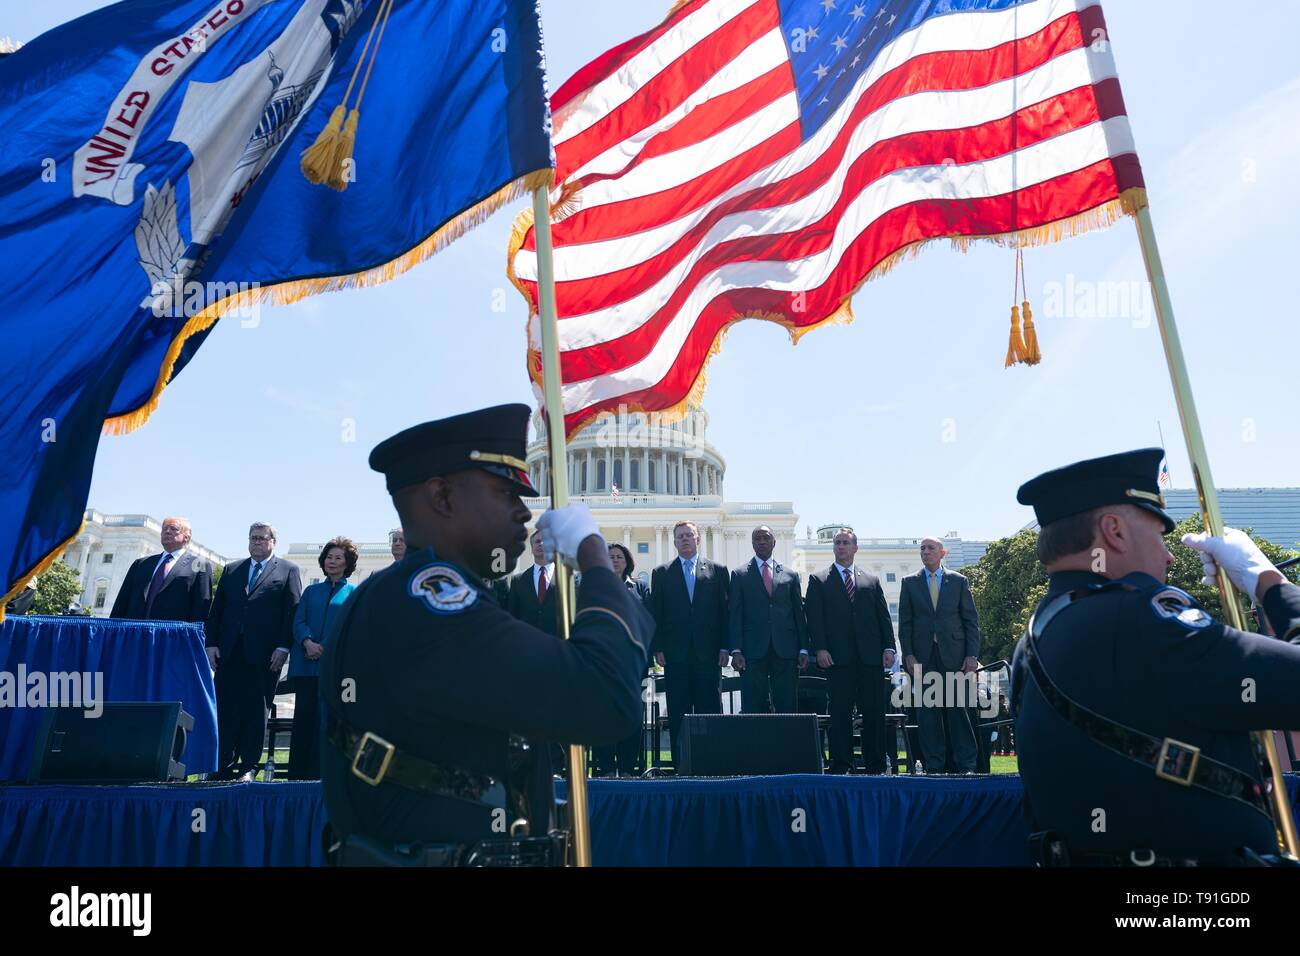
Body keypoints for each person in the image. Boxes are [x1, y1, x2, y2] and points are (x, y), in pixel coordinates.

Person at [318, 404, 651, 866]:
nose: (524, 515)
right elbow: (604, 697)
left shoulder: (405, 592)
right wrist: (595, 557)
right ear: (443, 497)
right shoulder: (429, 601)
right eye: (505, 493)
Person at [1011, 448, 1300, 865]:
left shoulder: (1037, 635)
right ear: (1114, 530)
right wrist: (1268, 581)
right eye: (1159, 533)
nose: (1167, 555)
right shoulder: (1142, 618)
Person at [205, 522, 303, 781]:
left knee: (255, 711)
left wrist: (283, 646)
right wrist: (211, 644)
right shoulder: (232, 569)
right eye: (252, 538)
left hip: (265, 656)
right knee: (226, 709)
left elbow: (291, 612)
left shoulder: (288, 570)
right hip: (229, 653)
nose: (256, 542)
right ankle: (221, 765)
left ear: (273, 541)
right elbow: (217, 611)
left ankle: (248, 766)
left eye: (261, 538)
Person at [805, 528, 895, 774]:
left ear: (855, 548)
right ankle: (841, 765)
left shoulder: (871, 580)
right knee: (840, 713)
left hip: (870, 658)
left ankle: (876, 765)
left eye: (846, 543)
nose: (841, 546)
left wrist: (889, 647)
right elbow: (814, 619)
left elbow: (883, 617)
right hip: (837, 658)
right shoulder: (819, 579)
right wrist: (820, 648)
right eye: (837, 543)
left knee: (874, 713)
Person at [649, 521, 729, 769]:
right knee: (678, 713)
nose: (684, 539)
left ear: (698, 539)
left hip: (708, 654)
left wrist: (725, 647)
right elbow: (656, 614)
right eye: (680, 536)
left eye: (689, 535)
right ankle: (679, 765)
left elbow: (724, 613)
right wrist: (658, 647)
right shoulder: (661, 573)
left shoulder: (717, 571)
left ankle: (712, 764)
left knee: (709, 711)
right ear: (674, 542)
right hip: (676, 654)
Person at [898, 537, 981, 773]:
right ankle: (934, 765)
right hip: (923, 659)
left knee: (959, 713)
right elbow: (905, 624)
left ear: (942, 553)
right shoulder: (909, 582)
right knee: (928, 716)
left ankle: (967, 765)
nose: (925, 552)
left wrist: (971, 654)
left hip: (955, 657)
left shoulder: (958, 581)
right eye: (922, 548)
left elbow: (970, 621)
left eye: (930, 548)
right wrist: (909, 655)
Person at [287, 537, 357, 779]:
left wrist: (324, 647)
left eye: (339, 557)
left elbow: (349, 627)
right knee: (303, 719)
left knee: (325, 721)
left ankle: (320, 775)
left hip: (332, 668)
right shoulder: (311, 590)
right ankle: (295, 775)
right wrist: (307, 642)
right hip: (306, 665)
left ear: (347, 563)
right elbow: (298, 621)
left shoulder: (353, 593)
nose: (332, 561)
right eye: (329, 557)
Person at [728, 525, 807, 714]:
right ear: (752, 543)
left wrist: (803, 647)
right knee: (754, 706)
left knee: (787, 705)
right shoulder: (740, 575)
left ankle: (786, 744)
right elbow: (735, 614)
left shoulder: (790, 575)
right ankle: (756, 744)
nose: (762, 541)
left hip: (786, 650)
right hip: (752, 651)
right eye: (757, 538)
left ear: (774, 542)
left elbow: (798, 614)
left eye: (766, 537)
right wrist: (736, 649)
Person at [593, 542, 651, 777]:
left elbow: (648, 622)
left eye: (619, 556)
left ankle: (627, 768)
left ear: (627, 561)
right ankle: (606, 768)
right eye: (610, 556)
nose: (615, 560)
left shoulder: (640, 587)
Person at [109, 516, 213, 622]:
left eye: (173, 529)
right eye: (164, 528)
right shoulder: (140, 564)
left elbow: (201, 610)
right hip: (135, 633)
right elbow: (121, 603)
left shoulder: (200, 565)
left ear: (186, 537)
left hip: (172, 635)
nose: (167, 531)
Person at [506, 530, 557, 635]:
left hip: (558, 644)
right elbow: (513, 615)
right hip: (527, 642)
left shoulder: (568, 580)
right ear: (532, 549)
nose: (541, 544)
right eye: (537, 541)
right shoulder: (518, 581)